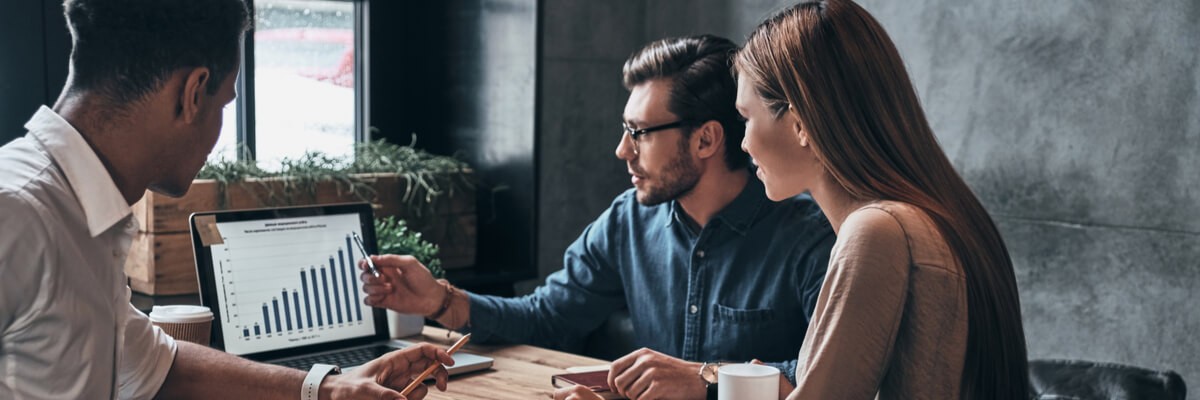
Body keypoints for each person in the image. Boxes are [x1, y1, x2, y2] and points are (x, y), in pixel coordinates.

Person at [0, 1, 453, 399]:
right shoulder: (15, 212)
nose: (219, 131)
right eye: (224, 104)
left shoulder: (78, 213)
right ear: (193, 92)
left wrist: (329, 389)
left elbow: (157, 365)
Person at [360, 35, 836, 400]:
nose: (622, 150)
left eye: (639, 132)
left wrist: (705, 377)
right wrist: (440, 299)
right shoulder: (628, 220)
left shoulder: (811, 237)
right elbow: (548, 317)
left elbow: (832, 379)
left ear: (706, 140)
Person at [732, 1, 1031, 399]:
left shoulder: (878, 231)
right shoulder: (948, 216)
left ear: (800, 123)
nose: (744, 143)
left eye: (746, 118)